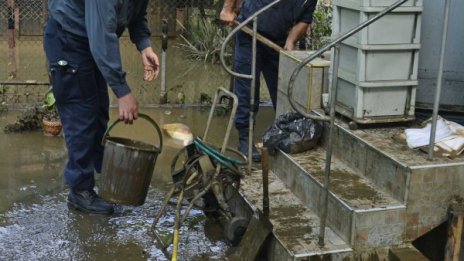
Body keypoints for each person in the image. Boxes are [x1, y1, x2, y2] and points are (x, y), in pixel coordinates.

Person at [44, 1, 160, 215]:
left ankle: (105, 177)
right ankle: (80, 192)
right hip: (68, 39)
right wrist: (123, 92)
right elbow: (102, 37)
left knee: (98, 112)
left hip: (89, 39)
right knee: (81, 116)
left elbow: (137, 13)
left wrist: (145, 45)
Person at [220, 0, 317, 162]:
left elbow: (304, 20)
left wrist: (291, 41)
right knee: (248, 91)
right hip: (249, 32)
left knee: (283, 92)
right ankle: (245, 139)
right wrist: (227, 9)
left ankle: (283, 133)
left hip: (278, 41)